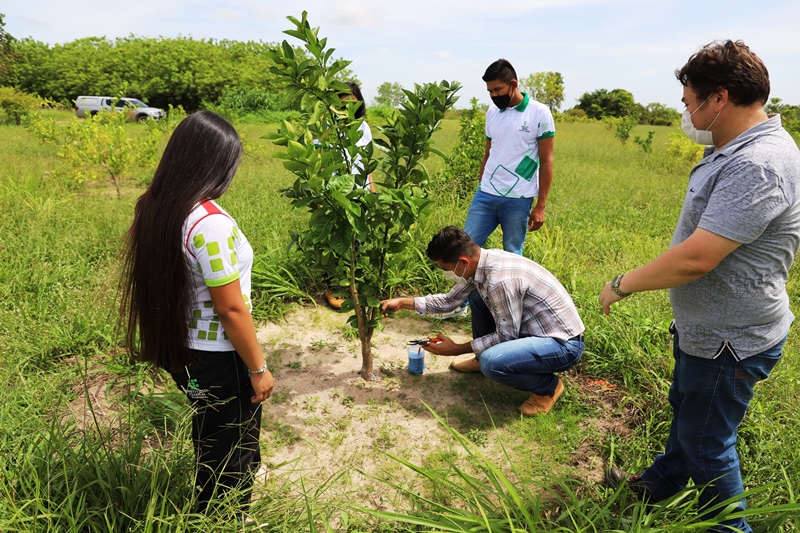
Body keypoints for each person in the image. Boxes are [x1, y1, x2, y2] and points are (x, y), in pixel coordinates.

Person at [599, 40, 800, 533]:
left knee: (709, 442)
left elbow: (697, 259)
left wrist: (621, 284)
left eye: (689, 100)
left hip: (731, 340)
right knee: (691, 417)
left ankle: (730, 529)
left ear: (720, 98)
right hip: (709, 330)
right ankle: (659, 484)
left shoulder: (758, 164)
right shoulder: (734, 148)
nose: (685, 110)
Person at [120, 111, 275, 518]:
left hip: (182, 351)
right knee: (233, 450)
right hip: (220, 357)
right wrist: (258, 368)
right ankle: (221, 520)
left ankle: (210, 510)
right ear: (214, 164)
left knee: (211, 436)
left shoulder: (157, 208)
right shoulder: (210, 223)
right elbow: (230, 307)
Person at [381, 226, 584, 415]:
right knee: (477, 297)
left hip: (562, 345)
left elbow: (507, 336)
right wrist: (403, 303)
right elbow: (450, 300)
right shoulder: (483, 262)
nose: (447, 275)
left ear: (463, 262)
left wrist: (457, 348)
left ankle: (547, 388)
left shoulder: (499, 281)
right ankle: (481, 359)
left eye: (447, 269)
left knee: (492, 363)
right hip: (534, 329)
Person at [463, 58, 555, 256]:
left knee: (512, 254)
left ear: (513, 84)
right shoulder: (492, 112)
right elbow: (488, 153)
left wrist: (540, 206)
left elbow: (546, 160)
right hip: (486, 194)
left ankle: (510, 288)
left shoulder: (539, 113)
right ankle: (472, 289)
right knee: (466, 250)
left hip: (518, 198)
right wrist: (482, 185)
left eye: (497, 90)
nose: (494, 96)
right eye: (490, 92)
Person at [324, 80, 375, 309]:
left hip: (360, 192)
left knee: (357, 241)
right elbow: (321, 161)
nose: (348, 108)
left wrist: (372, 190)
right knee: (336, 241)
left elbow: (367, 163)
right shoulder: (328, 127)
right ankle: (334, 287)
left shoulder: (363, 127)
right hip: (337, 193)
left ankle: (352, 285)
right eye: (342, 103)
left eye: (352, 103)